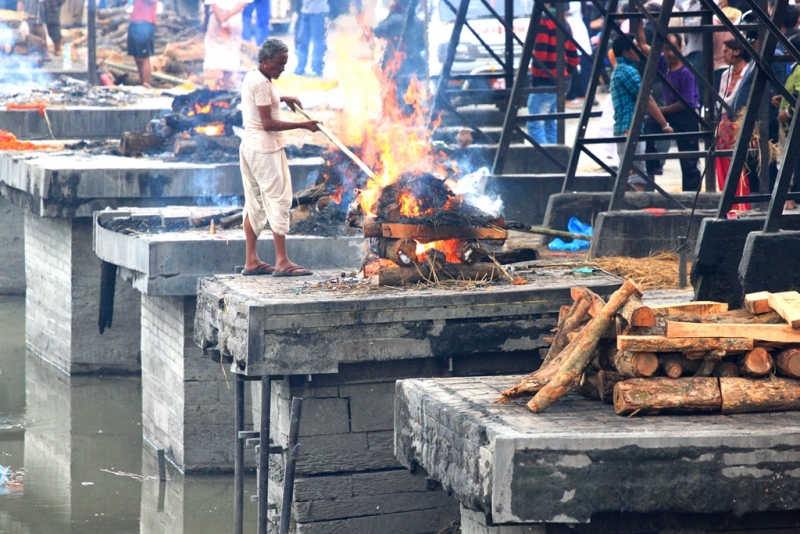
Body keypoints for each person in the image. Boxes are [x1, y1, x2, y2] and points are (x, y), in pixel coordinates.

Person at [239, 38, 320, 277]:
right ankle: (282, 261)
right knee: (278, 201)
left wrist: (284, 98)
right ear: (265, 60)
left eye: (285, 64)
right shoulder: (263, 84)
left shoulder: (254, 76)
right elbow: (268, 123)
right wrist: (303, 125)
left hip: (249, 148)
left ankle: (251, 261)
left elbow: (264, 97)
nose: (282, 69)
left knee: (253, 203)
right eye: (279, 64)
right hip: (265, 150)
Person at [637, 29, 702, 191]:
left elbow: (684, 103)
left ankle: (692, 195)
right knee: (646, 125)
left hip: (686, 116)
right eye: (666, 49)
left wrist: (659, 112)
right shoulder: (664, 63)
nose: (669, 53)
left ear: (680, 47)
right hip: (671, 112)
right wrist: (638, 22)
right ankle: (654, 164)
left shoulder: (686, 71)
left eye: (672, 48)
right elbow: (643, 47)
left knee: (688, 160)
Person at [610, 35, 673, 191]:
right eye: (634, 47)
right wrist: (664, 124)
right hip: (629, 128)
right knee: (636, 174)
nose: (638, 50)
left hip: (624, 127)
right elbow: (647, 99)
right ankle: (636, 210)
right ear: (626, 53)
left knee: (630, 170)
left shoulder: (620, 69)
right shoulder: (628, 71)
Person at [527, 4, 580, 145]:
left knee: (535, 123)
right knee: (551, 122)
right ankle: (555, 158)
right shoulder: (564, 23)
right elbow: (574, 58)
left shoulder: (543, 22)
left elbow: (540, 56)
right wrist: (564, 73)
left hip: (545, 80)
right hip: (561, 80)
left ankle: (543, 160)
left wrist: (535, 79)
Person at [715, 38, 752, 204]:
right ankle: (728, 199)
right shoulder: (725, 74)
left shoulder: (748, 72)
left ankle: (742, 201)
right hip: (725, 124)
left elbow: (736, 98)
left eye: (726, 51)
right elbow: (721, 99)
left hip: (739, 121)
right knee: (722, 159)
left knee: (739, 163)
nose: (723, 55)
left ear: (737, 51)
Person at [204, 0, 251, 88]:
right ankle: (226, 84)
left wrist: (221, 20)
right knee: (231, 49)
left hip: (216, 16)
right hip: (234, 17)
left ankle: (213, 85)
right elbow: (245, 2)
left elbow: (211, 3)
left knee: (213, 51)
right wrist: (228, 15)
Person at [293, 0, 328, 77]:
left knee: (318, 41)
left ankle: (317, 69)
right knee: (302, 40)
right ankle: (300, 68)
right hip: (305, 11)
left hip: (318, 12)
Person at [127, 0, 157, 87]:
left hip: (145, 23)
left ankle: (146, 84)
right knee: (137, 57)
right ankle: (142, 83)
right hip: (134, 21)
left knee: (144, 57)